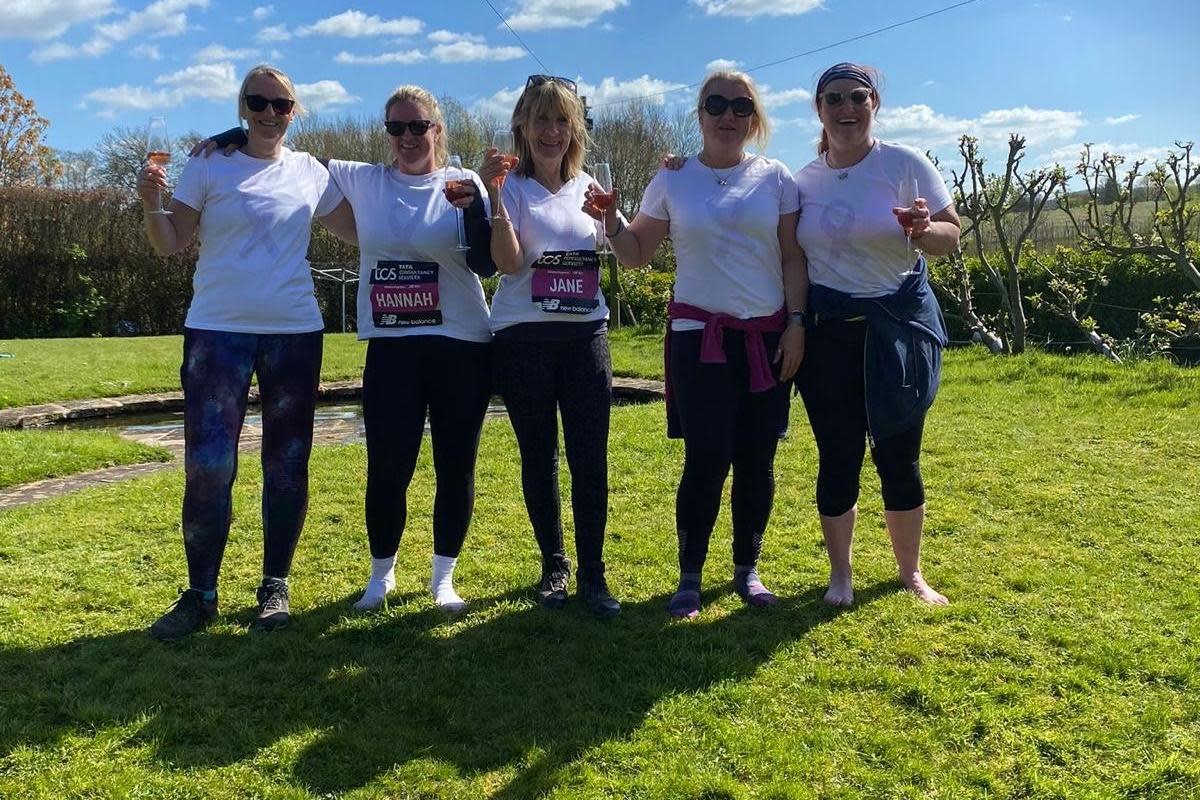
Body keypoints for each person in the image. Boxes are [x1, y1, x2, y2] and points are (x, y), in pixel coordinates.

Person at [137, 65, 356, 641]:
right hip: (216, 333)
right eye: (257, 102)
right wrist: (150, 205)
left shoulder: (311, 171)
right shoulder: (208, 162)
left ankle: (274, 586)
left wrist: (435, 194)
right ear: (242, 107)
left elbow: (363, 230)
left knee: (286, 465)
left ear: (295, 111)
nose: (268, 112)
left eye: (281, 104)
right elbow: (170, 243)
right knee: (210, 468)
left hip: (294, 332)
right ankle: (200, 594)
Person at [587, 69, 808, 619]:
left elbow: (791, 258)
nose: (728, 116)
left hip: (767, 338)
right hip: (698, 341)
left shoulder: (777, 178)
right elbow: (636, 253)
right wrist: (610, 218)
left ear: (753, 118)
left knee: (757, 460)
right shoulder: (673, 178)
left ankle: (747, 571)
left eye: (740, 106)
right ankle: (689, 576)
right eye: (716, 104)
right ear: (700, 115)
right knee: (706, 458)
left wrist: (798, 323)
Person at [792, 62, 960, 607]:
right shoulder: (804, 180)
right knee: (837, 456)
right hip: (829, 337)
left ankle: (910, 573)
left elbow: (951, 236)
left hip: (898, 334)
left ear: (874, 105)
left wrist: (922, 229)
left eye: (858, 98)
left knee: (898, 455)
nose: (846, 108)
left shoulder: (905, 164)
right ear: (818, 109)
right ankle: (840, 574)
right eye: (834, 99)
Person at [329, 86, 496, 613]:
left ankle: (444, 578)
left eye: (417, 126)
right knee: (387, 464)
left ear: (436, 130)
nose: (406, 137)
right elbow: (288, 156)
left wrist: (474, 212)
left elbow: (487, 264)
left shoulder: (465, 183)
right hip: (392, 347)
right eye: (395, 128)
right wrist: (234, 134)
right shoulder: (365, 180)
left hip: (461, 344)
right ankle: (382, 576)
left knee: (455, 464)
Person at [477, 75, 620, 618]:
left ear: (575, 128)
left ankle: (594, 573)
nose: (552, 131)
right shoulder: (506, 185)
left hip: (586, 337)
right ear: (522, 127)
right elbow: (509, 264)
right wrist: (493, 196)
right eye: (541, 119)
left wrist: (614, 214)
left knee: (591, 458)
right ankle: (554, 565)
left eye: (562, 120)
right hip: (523, 338)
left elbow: (628, 251)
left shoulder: (591, 188)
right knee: (539, 456)